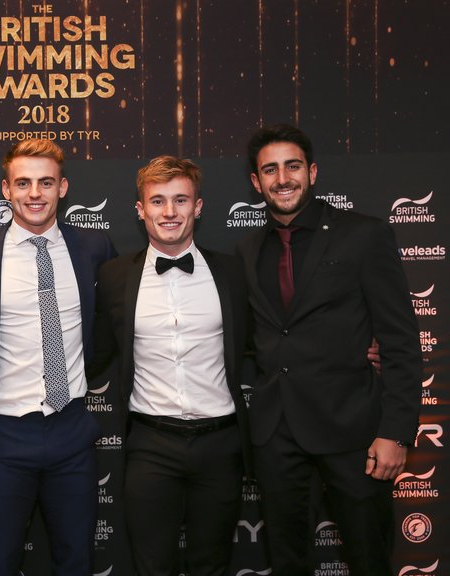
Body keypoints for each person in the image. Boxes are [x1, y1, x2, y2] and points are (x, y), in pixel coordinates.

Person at [236, 123, 422, 575]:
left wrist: (396, 432)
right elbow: (254, 338)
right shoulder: (247, 249)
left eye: (293, 166)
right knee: (287, 563)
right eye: (270, 170)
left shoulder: (364, 235)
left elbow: (400, 341)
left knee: (368, 559)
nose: (283, 178)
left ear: (313, 172)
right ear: (256, 182)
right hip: (276, 434)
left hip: (354, 432)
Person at [0, 139, 116, 575]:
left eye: (46, 182)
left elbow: (108, 328)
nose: (34, 193)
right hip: (3, 434)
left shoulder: (94, 247)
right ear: (6, 189)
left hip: (71, 431)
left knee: (76, 559)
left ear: (62, 187)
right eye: (23, 182)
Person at [90, 156, 251, 576]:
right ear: (140, 209)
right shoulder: (114, 276)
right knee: (152, 566)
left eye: (181, 200)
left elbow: (270, 340)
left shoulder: (233, 272)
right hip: (150, 444)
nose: (169, 212)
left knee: (212, 565)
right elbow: (93, 353)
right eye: (157, 201)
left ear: (198, 207)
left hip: (220, 442)